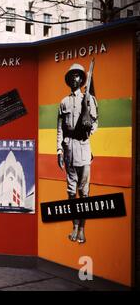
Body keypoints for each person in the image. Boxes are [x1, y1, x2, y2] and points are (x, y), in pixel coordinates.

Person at [57, 63, 98, 244]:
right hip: (69, 149)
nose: (75, 78)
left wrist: (89, 128)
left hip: (83, 147)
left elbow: (96, 122)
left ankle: (82, 229)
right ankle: (74, 225)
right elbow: (60, 130)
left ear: (82, 79)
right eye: (72, 75)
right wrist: (59, 150)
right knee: (71, 192)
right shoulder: (63, 102)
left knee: (84, 193)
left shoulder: (89, 100)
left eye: (77, 75)